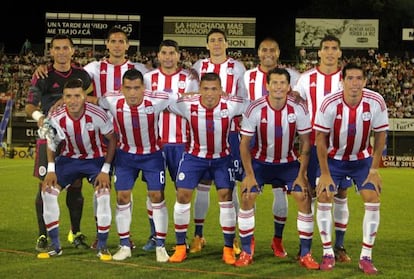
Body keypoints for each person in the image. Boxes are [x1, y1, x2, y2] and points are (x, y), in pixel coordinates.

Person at [35, 26, 149, 249]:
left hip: (125, 134)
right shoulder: (93, 68)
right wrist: (43, 69)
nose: (117, 45)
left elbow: (158, 82)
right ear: (106, 44)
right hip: (98, 135)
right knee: (100, 189)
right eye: (113, 41)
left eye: (121, 41)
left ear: (127, 45)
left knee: (124, 188)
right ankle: (95, 235)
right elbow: (71, 76)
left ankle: (126, 236)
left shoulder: (140, 69)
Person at [235, 68, 319, 269]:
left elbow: (307, 143)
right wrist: (249, 175)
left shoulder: (298, 108)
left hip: (288, 164)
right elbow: (244, 144)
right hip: (260, 163)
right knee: (247, 195)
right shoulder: (254, 108)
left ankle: (306, 253)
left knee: (303, 197)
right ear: (267, 85)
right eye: (274, 83)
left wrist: (302, 175)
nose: (278, 87)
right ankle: (247, 251)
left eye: (283, 83)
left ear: (289, 87)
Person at [92, 68, 176, 262]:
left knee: (157, 196)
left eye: (136, 88)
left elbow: (182, 98)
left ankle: (160, 246)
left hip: (152, 155)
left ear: (143, 88)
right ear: (122, 88)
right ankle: (124, 245)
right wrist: (63, 101)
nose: (132, 93)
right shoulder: (112, 99)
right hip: (125, 156)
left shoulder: (157, 99)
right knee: (122, 197)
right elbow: (93, 100)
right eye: (128, 88)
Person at [313, 63, 388, 274]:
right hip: (333, 159)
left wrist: (374, 169)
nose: (354, 83)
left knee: (373, 199)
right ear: (342, 81)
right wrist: (325, 173)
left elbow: (381, 135)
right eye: (350, 78)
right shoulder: (329, 103)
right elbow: (320, 138)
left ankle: (366, 257)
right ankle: (328, 253)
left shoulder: (375, 101)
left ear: (364, 81)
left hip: (362, 160)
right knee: (325, 196)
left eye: (358, 78)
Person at [168, 72, 249, 264]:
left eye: (214, 89)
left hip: (222, 159)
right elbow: (166, 101)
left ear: (221, 90)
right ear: (200, 90)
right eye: (205, 89)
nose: (210, 94)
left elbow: (253, 104)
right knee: (182, 195)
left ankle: (228, 248)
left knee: (226, 197)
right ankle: (181, 247)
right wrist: (184, 95)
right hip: (194, 158)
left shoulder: (231, 104)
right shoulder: (187, 105)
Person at [25, 34, 93, 252]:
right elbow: (29, 106)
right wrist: (40, 118)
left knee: (76, 185)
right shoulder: (43, 76)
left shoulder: (83, 76)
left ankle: (76, 232)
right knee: (46, 186)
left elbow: (91, 99)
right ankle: (43, 234)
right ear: (51, 51)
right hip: (50, 137)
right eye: (57, 48)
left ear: (73, 51)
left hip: (76, 137)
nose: (62, 52)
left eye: (66, 48)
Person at [38, 78, 116, 260]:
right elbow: (51, 141)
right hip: (68, 159)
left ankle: (102, 246)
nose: (72, 101)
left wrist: (105, 169)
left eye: (77, 96)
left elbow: (112, 139)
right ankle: (55, 245)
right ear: (63, 98)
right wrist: (51, 168)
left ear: (84, 97)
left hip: (95, 160)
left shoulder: (98, 114)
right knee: (47, 192)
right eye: (68, 96)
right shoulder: (56, 116)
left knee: (103, 194)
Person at [293, 34, 353, 263]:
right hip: (313, 143)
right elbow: (297, 106)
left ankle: (339, 246)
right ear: (319, 52)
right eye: (325, 48)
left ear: (339, 53)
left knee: (340, 193)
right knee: (308, 193)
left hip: (340, 146)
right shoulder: (306, 79)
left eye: (334, 48)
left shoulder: (348, 78)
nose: (329, 52)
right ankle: (305, 247)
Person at [242, 37, 301, 258]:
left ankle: (278, 240)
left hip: (281, 138)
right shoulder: (247, 76)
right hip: (253, 136)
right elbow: (239, 100)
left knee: (281, 190)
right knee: (248, 189)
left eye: (273, 50)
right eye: (264, 49)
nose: (268, 53)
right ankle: (250, 239)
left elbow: (302, 100)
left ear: (278, 53)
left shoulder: (293, 76)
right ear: (258, 52)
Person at [190, 28, 246, 254]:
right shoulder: (198, 67)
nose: (216, 44)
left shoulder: (237, 67)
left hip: (229, 132)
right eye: (212, 40)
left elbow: (244, 99)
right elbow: (191, 97)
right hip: (202, 131)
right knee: (202, 186)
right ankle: (198, 235)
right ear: (206, 45)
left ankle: (231, 239)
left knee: (229, 188)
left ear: (226, 43)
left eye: (220, 40)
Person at [141, 39, 199, 251]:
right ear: (158, 55)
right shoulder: (148, 78)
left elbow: (193, 104)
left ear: (178, 56)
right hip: (155, 144)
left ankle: (181, 238)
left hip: (182, 143)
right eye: (164, 52)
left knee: (182, 192)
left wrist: (168, 103)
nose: (167, 57)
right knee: (153, 191)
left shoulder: (189, 78)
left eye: (171, 53)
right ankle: (154, 236)